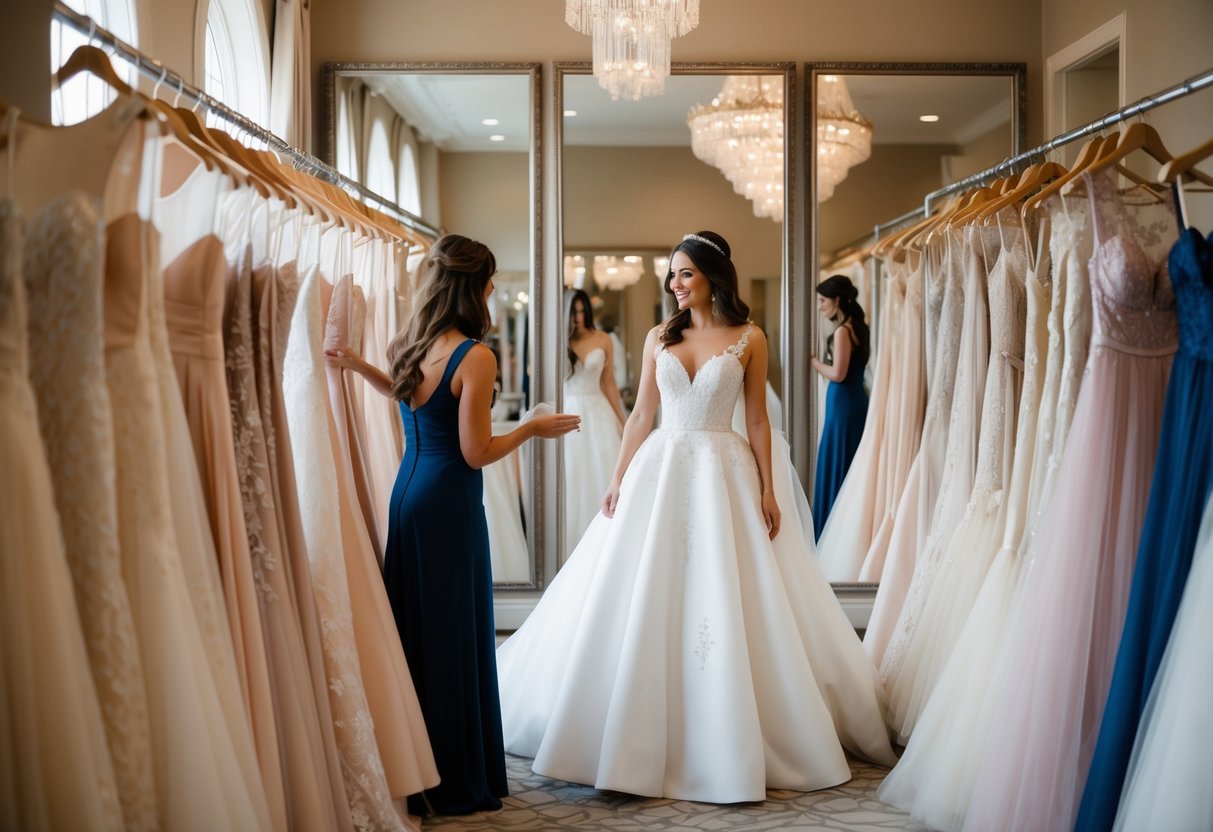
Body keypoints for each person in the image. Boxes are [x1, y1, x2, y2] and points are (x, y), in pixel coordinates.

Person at [496, 231, 896, 804]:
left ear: (711, 274)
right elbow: (639, 418)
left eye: (685, 273)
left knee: (727, 591)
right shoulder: (662, 335)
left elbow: (757, 420)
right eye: (672, 275)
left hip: (723, 469)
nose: (675, 285)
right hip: (659, 468)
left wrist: (767, 489)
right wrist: (616, 478)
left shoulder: (750, 338)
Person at [325, 234, 579, 816]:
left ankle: (415, 770)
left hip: (407, 497)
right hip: (449, 505)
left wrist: (360, 365)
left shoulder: (410, 344)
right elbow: (475, 452)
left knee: (417, 632)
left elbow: (408, 399)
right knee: (454, 638)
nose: (492, 288)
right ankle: (453, 777)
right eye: (489, 279)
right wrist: (531, 429)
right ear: (472, 287)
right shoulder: (477, 356)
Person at [563, 288, 626, 550]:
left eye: (582, 310)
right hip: (568, 411)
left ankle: (605, 543)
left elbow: (609, 382)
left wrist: (623, 421)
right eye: (573, 311)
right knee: (573, 476)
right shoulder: (559, 340)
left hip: (598, 410)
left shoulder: (603, 339)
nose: (578, 317)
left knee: (601, 472)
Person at [810, 274, 871, 539]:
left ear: (837, 300)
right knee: (846, 459)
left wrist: (813, 361)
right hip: (853, 399)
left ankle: (831, 530)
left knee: (837, 457)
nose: (821, 306)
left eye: (823, 300)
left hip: (844, 402)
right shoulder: (858, 327)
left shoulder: (843, 331)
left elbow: (838, 373)